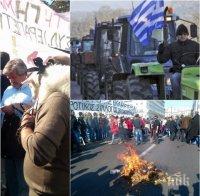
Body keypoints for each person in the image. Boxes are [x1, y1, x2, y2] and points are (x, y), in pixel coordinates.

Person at [18, 63, 70, 195]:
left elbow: (38, 153)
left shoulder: (57, 100)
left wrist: (25, 124)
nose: (34, 96)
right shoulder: (58, 100)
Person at [1, 59, 33, 196]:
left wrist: (14, 109)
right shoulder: (8, 90)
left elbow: (35, 110)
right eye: (8, 77)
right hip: (7, 138)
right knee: (10, 179)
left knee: (23, 180)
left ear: (23, 74)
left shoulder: (33, 88)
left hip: (23, 137)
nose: (10, 80)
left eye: (13, 76)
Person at [157, 24, 199, 99]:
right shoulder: (171, 46)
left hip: (194, 71)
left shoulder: (195, 45)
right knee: (174, 78)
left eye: (184, 34)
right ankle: (178, 98)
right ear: (177, 36)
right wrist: (160, 51)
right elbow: (162, 60)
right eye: (180, 34)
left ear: (187, 35)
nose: (182, 36)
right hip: (180, 71)